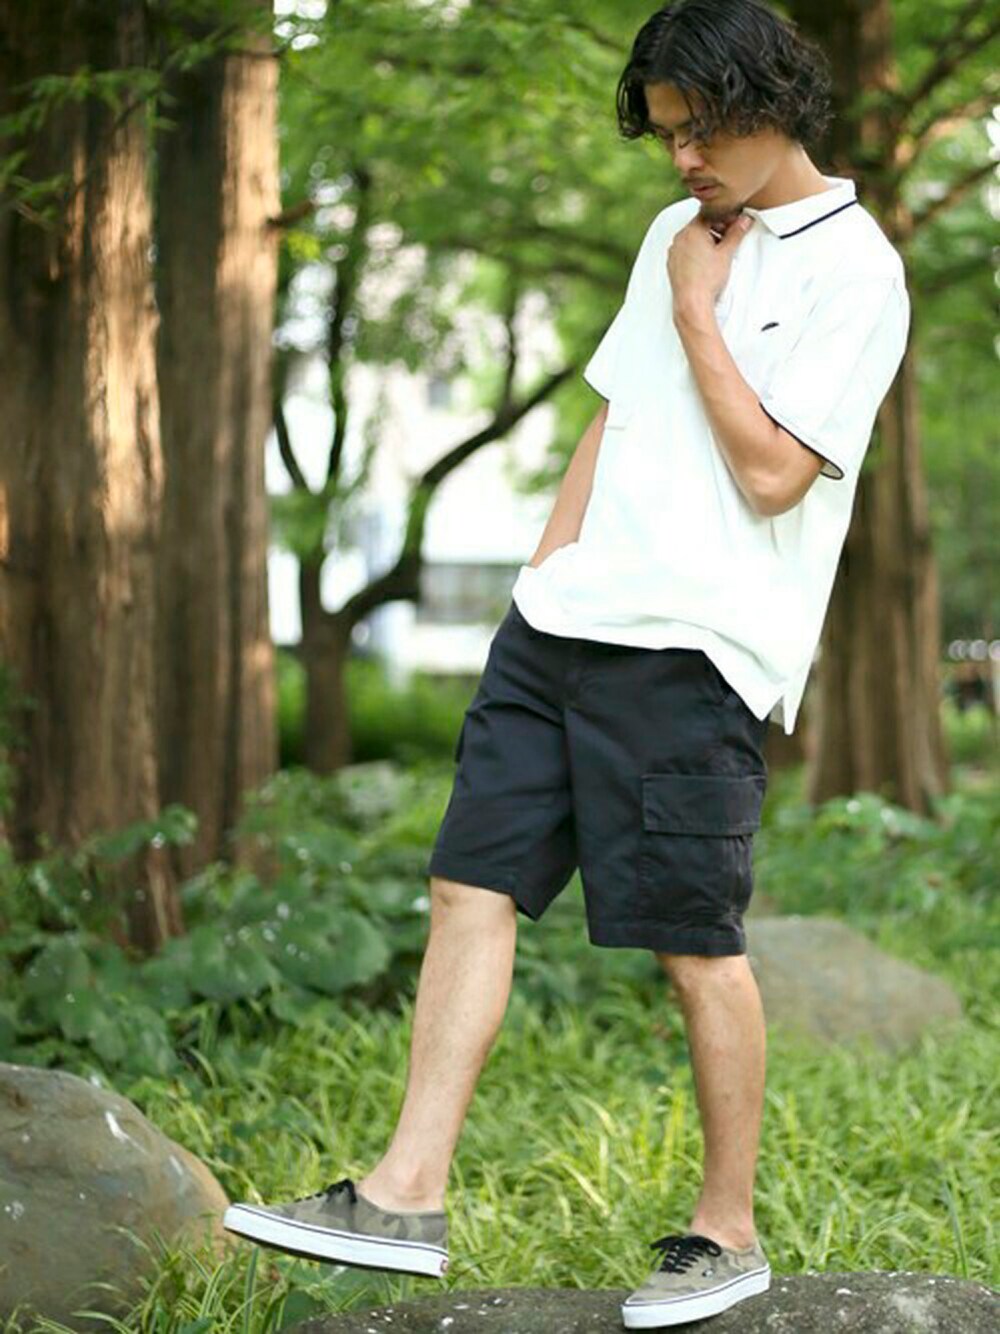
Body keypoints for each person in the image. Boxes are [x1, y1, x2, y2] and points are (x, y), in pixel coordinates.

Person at [223, 0, 911, 1326]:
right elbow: (615, 416)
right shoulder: (672, 233)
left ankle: (726, 1231)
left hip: (694, 649)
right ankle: (405, 1194)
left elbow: (775, 476)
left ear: (771, 104)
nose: (681, 161)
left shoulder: (857, 270)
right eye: (665, 137)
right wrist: (541, 581)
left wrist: (701, 312)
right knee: (467, 885)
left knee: (693, 943)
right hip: (560, 628)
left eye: (699, 132)